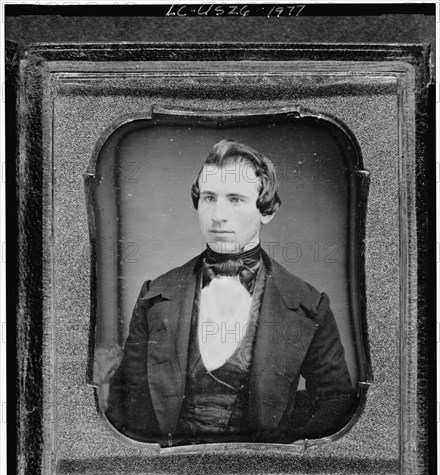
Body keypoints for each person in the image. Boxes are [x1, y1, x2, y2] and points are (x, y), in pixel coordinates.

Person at [94, 139, 355, 446]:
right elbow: (127, 405)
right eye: (208, 198)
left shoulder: (309, 305)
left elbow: (336, 403)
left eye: (235, 199)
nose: (218, 214)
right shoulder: (155, 296)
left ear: (267, 210)